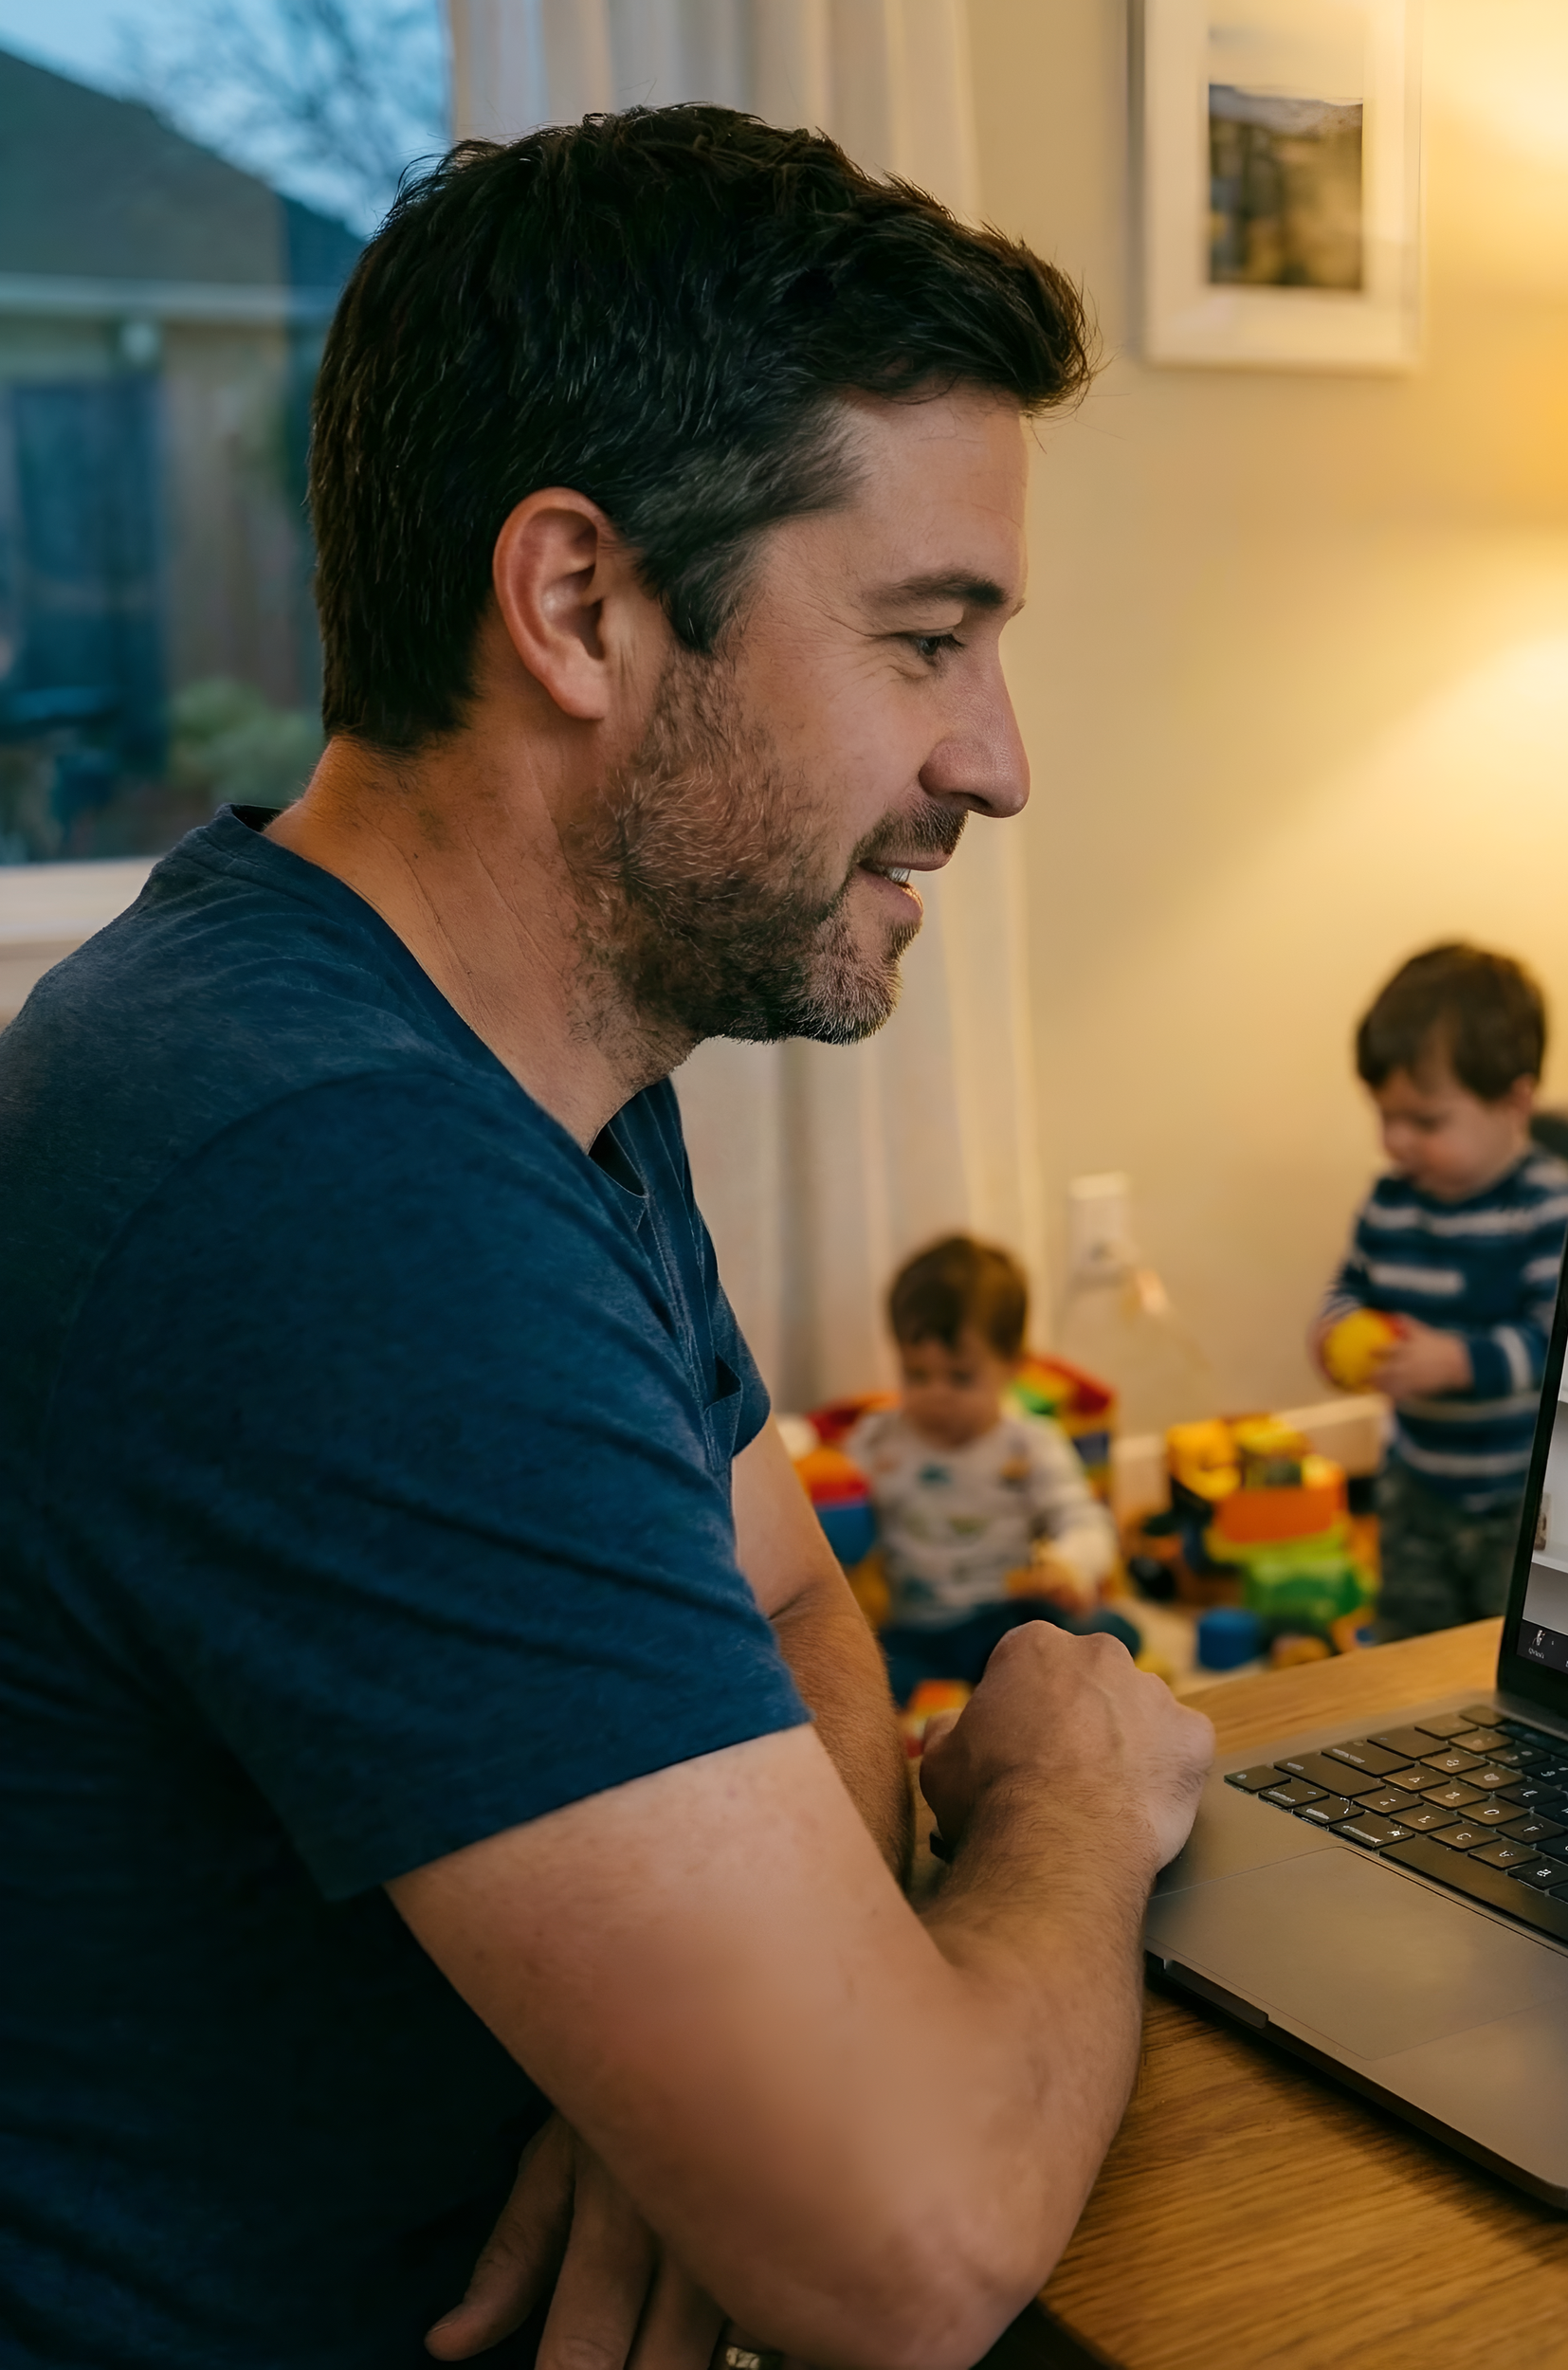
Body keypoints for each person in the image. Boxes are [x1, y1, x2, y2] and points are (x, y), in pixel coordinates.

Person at [0, 112, 1215, 2370]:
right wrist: (1065, 1793)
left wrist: (700, 2090)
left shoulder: (473, 1040)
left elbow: (777, 1588)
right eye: (926, 638)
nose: (1001, 759)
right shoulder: (327, 1176)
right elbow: (918, 2249)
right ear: (575, 604)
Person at [1312, 943, 1568, 1638]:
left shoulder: (1545, 1208)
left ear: (1516, 1101)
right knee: (1408, 1638)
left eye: (1424, 1122)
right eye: (1385, 1115)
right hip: (1416, 1483)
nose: (1395, 1141)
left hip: (1519, 1499)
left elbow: (1563, 1340)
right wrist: (1333, 1331)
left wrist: (1458, 1361)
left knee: (1501, 1643)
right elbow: (1351, 1286)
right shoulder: (1391, 1204)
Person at [850, 1234, 1132, 1703]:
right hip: (918, 1629)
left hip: (1010, 1621)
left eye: (960, 1377)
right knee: (863, 1679)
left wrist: (1069, 1565)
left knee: (1101, 1637)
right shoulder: (877, 1441)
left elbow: (1085, 1521)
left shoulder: (1030, 1444)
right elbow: (835, 1508)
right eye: (916, 1375)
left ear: (1013, 1366)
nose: (936, 1393)